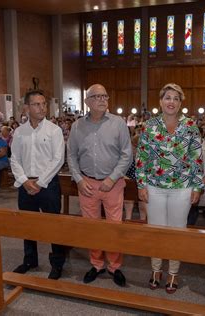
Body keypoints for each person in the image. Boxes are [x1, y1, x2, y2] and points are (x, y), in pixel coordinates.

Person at [136, 83, 203, 293]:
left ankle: (173, 273)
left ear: (181, 103)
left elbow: (196, 158)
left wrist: (197, 187)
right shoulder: (149, 126)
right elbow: (141, 157)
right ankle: (156, 270)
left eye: (175, 98)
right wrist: (141, 184)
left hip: (182, 187)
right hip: (154, 187)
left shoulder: (191, 126)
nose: (171, 102)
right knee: (156, 230)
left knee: (177, 231)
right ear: (160, 102)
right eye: (167, 97)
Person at [67, 84, 132, 287]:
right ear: (87, 102)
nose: (102, 99)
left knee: (114, 227)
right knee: (92, 227)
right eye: (97, 96)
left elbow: (126, 154)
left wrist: (112, 178)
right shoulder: (77, 126)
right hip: (87, 184)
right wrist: (78, 179)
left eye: (105, 96)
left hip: (112, 184)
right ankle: (96, 264)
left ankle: (114, 266)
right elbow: (71, 155)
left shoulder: (118, 123)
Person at [10, 90, 66, 280]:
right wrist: (25, 181)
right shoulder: (19, 132)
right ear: (26, 107)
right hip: (25, 184)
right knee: (28, 224)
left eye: (43, 103)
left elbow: (58, 159)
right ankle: (30, 260)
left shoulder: (54, 130)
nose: (42, 107)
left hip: (48, 184)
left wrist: (40, 182)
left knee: (54, 225)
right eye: (36, 104)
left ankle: (57, 263)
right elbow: (14, 159)